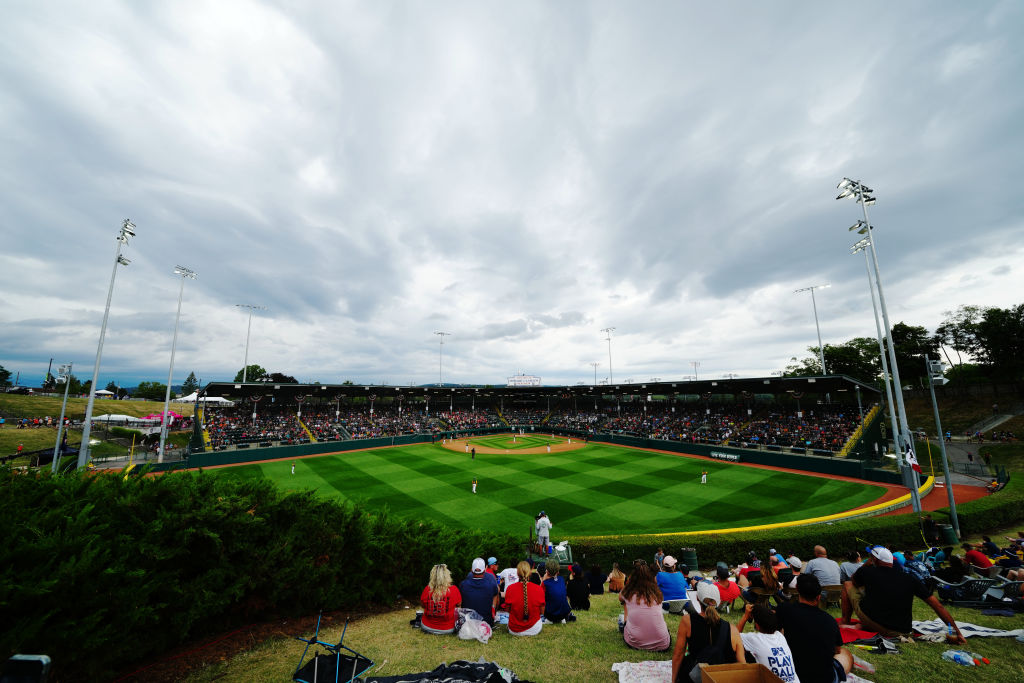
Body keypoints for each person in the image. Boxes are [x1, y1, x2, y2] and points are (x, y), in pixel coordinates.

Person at [841, 545, 965, 642]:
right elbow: (938, 606)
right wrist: (957, 632)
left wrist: (866, 566)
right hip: (904, 630)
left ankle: (845, 621)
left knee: (847, 584)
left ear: (874, 559)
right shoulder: (910, 578)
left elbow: (854, 581)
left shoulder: (866, 571)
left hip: (882, 627)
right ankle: (864, 626)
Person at [777, 574, 852, 683]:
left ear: (797, 589)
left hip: (791, 672)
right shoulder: (830, 620)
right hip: (824, 678)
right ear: (818, 596)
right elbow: (837, 650)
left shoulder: (783, 609)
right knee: (845, 653)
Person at [671, 581, 744, 683]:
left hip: (695, 677)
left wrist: (673, 680)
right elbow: (742, 665)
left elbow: (678, 654)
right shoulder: (732, 629)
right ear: (718, 602)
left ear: (697, 598)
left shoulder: (687, 621)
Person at [736, 603, 800, 683]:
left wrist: (745, 616)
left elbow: (734, 636)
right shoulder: (780, 636)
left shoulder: (755, 639)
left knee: (741, 650)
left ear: (757, 626)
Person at [619, 563, 670, 651]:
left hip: (635, 642)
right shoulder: (656, 592)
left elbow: (620, 599)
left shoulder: (627, 592)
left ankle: (626, 623)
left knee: (623, 609)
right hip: (662, 644)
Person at [505, 560, 545, 636]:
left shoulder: (510, 589)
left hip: (514, 629)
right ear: (530, 572)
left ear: (517, 573)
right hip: (534, 629)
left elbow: (508, 610)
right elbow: (542, 611)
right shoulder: (538, 589)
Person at [420, 564, 462, 634]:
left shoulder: (427, 589)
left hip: (427, 626)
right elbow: (459, 604)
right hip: (448, 628)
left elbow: (422, 605)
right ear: (447, 576)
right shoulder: (454, 589)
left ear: (432, 576)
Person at [459, 558, 499, 626]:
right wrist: (493, 608)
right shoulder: (491, 585)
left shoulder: (463, 584)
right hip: (486, 623)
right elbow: (496, 594)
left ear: (471, 570)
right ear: (484, 571)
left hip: (467, 623)